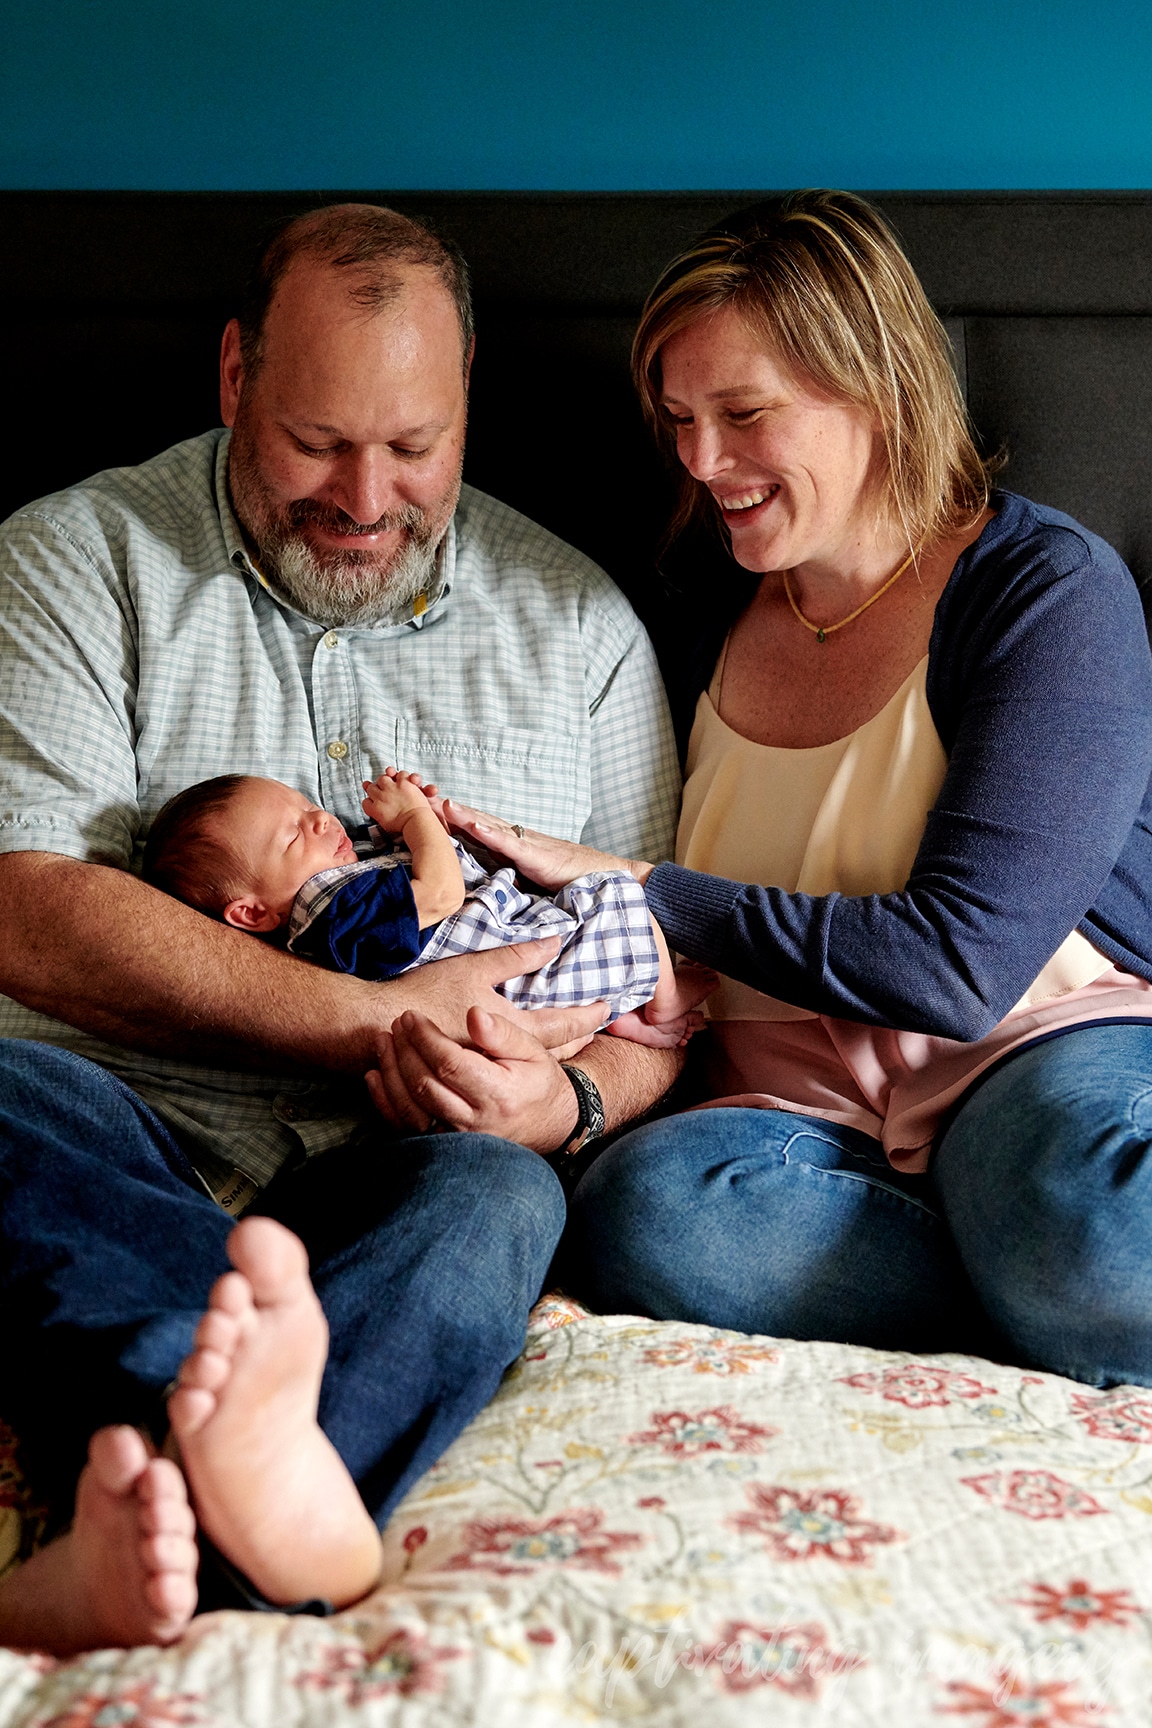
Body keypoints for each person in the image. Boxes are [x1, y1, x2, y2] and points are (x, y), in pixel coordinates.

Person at [0, 201, 680, 1648]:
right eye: (317, 444)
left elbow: (666, 1008)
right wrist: (379, 1016)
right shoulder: (72, 561)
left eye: (414, 448)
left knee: (500, 1206)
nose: (367, 498)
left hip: (405, 1169)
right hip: (112, 1128)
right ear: (237, 375)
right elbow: (27, 909)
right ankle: (250, 1454)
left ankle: (143, 1551)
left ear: (470, 396)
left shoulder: (584, 636)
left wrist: (561, 1099)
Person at [383, 189, 1152, 1393]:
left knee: (1096, 1219)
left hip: (1023, 1055)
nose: (699, 460)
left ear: (879, 389)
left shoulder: (1043, 591)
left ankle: (1059, 1254)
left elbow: (959, 969)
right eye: (680, 418)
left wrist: (651, 890)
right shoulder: (695, 614)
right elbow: (627, 959)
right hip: (792, 1122)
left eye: (743, 414)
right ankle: (1038, 1287)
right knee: (649, 1214)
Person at [143, 769, 710, 1047]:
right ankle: (664, 1003)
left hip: (522, 970)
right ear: (252, 914)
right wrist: (414, 820)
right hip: (524, 976)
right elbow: (440, 895)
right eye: (292, 836)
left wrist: (418, 815)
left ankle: (631, 1021)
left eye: (306, 806)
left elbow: (421, 869)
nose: (319, 820)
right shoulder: (336, 913)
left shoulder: (337, 886)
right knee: (615, 889)